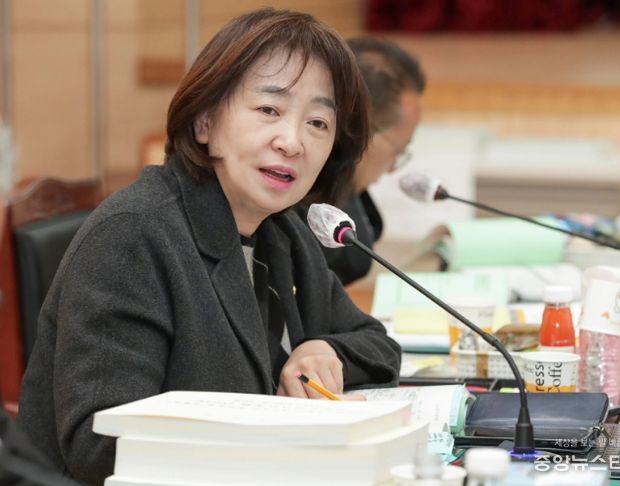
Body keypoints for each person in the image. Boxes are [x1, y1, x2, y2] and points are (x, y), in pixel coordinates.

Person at [17, 9, 401, 485]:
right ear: (205, 121)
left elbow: (379, 346)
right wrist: (277, 436)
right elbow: (101, 446)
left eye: (318, 123)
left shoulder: (282, 232)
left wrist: (323, 350)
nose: (292, 142)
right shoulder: (134, 236)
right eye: (269, 110)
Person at [299, 37, 426, 285]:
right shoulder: (304, 221)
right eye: (398, 150)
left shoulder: (347, 209)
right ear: (357, 131)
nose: (392, 168)